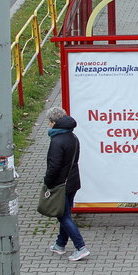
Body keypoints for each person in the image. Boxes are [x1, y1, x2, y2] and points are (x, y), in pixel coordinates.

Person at [45, 107, 90, 262]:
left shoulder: (57, 141)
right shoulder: (73, 137)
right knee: (65, 213)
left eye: (49, 122)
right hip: (73, 181)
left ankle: (81, 247)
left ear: (54, 122)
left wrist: (48, 182)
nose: (48, 125)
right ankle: (60, 244)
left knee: (63, 216)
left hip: (61, 183)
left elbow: (54, 166)